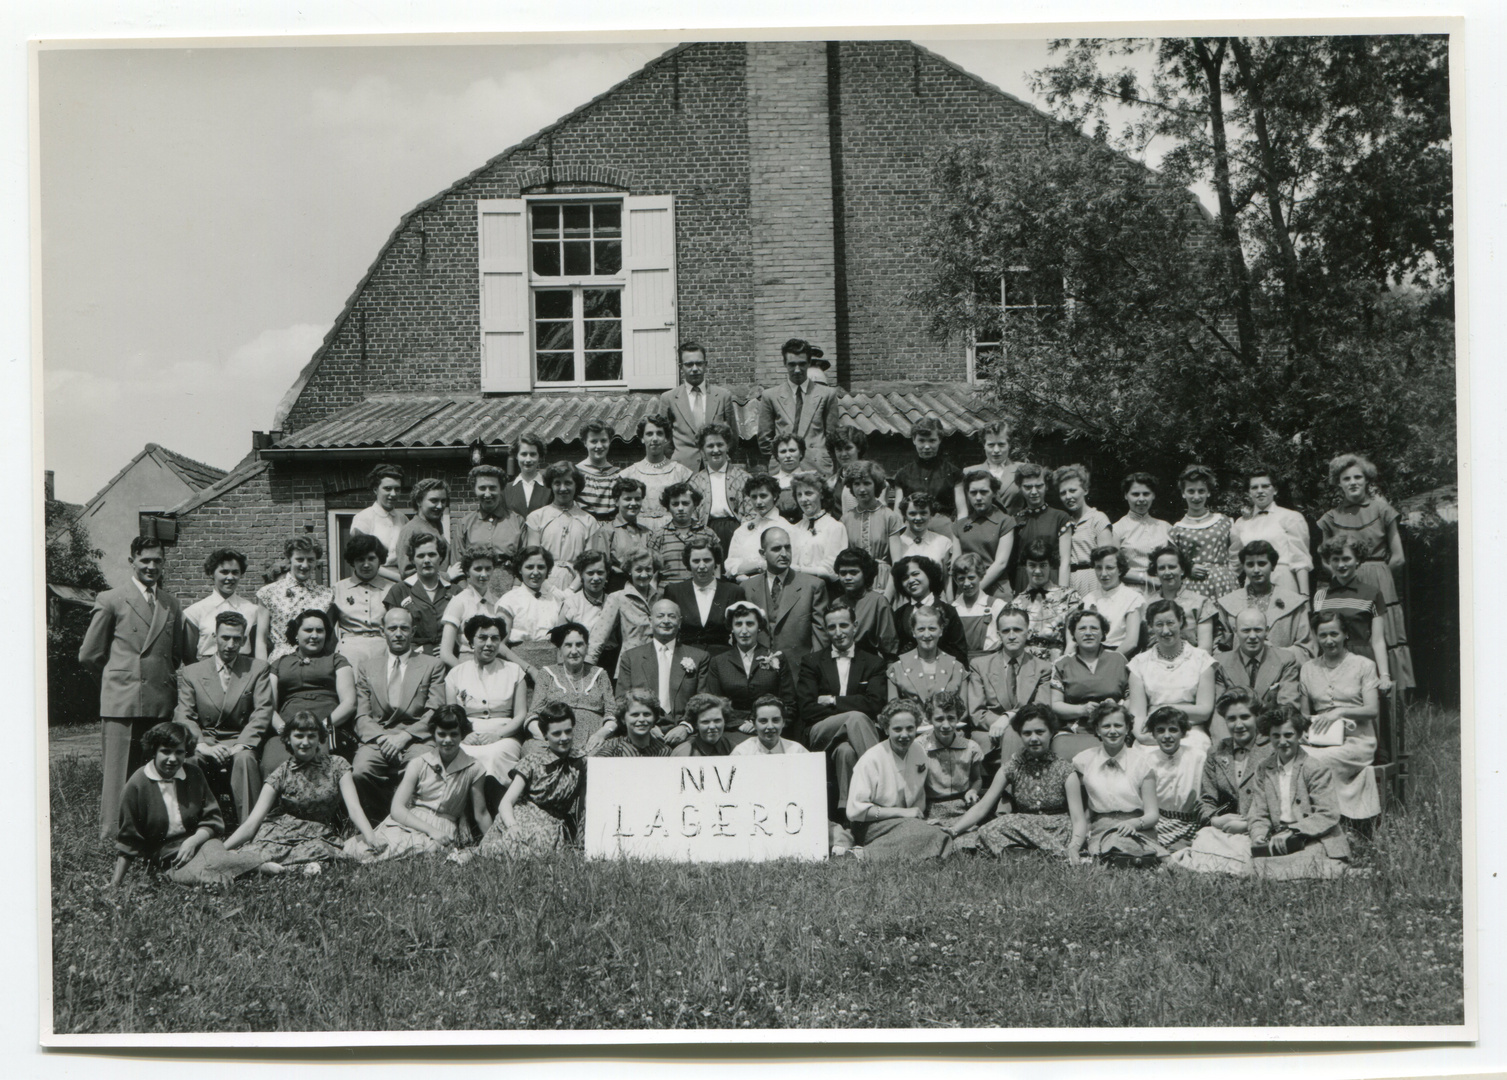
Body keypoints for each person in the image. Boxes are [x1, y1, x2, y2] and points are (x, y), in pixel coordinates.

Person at [79, 536, 184, 841]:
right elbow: (89, 655)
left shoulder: (171, 603)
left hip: (160, 699)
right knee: (119, 771)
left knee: (156, 768)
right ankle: (113, 834)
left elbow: (175, 653)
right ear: (132, 562)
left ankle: (153, 830)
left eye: (157, 561)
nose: (152, 566)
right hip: (122, 701)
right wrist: (116, 678)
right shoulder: (111, 599)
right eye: (145, 560)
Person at [222, 710, 385, 871]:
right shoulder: (281, 773)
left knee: (324, 851)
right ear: (288, 739)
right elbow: (252, 823)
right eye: (299, 736)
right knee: (259, 851)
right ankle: (266, 865)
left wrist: (371, 838)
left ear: (320, 738)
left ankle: (269, 867)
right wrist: (221, 848)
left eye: (311, 736)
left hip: (318, 833)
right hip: (280, 832)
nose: (305, 742)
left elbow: (354, 809)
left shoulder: (338, 765)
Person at [110, 721, 260, 887]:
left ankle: (236, 863)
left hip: (202, 842)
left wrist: (193, 841)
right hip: (168, 856)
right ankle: (252, 864)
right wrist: (115, 884)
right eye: (165, 752)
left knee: (214, 863)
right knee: (205, 876)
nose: (172, 759)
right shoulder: (137, 784)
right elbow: (129, 839)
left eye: (179, 752)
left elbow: (212, 820)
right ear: (154, 751)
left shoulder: (194, 774)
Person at [1316, 452, 1413, 690]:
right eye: (1346, 478)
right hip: (1344, 581)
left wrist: (1376, 575)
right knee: (1350, 635)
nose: (1353, 482)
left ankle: (1392, 698)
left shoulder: (1382, 510)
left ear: (1367, 480)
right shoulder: (1331, 517)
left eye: (1358, 477)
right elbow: (1324, 560)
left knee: (1384, 638)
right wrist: (1344, 577)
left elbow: (1398, 556)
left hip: (1380, 579)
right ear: (1338, 483)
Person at [345, 705, 490, 862]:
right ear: (433, 735)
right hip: (410, 821)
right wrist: (430, 830)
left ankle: (377, 858)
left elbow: (481, 814)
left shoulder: (473, 768)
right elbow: (397, 809)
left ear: (462, 735)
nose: (448, 740)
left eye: (454, 734)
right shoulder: (419, 762)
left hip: (443, 829)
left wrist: (492, 843)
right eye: (442, 734)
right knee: (362, 848)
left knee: (428, 848)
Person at [943, 703, 1082, 858]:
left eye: (1040, 732)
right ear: (1020, 735)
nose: (1034, 738)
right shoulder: (1012, 767)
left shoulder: (1065, 770)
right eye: (1027, 733)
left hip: (1057, 832)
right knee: (970, 838)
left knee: (1000, 826)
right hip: (1020, 830)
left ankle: (1049, 854)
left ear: (1051, 732)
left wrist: (1074, 847)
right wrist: (954, 830)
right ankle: (1035, 856)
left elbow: (1078, 819)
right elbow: (983, 806)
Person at [173, 610, 273, 824]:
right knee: (191, 760)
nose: (230, 645)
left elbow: (262, 711)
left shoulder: (257, 668)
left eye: (237, 639)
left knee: (245, 760)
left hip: (240, 739)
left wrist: (242, 744)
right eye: (225, 637)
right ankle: (195, 827)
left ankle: (250, 827)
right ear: (214, 637)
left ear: (244, 640)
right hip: (207, 740)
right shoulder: (193, 672)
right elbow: (185, 714)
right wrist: (202, 744)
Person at [350, 607, 448, 822]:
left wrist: (404, 737)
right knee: (361, 770)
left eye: (404, 628)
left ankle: (417, 824)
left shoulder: (432, 665)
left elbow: (435, 710)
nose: (398, 633)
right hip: (379, 737)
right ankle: (378, 822)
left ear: (413, 632)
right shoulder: (368, 667)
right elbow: (362, 715)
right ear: (382, 631)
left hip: (417, 737)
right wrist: (385, 739)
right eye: (392, 628)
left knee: (421, 768)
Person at [1168, 688, 1272, 876]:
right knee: (1205, 838)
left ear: (1257, 717)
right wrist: (1215, 819)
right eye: (1231, 719)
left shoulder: (1272, 751)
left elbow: (1281, 802)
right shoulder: (1217, 751)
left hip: (1261, 829)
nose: (1238, 725)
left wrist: (1249, 824)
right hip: (1224, 829)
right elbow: (1206, 799)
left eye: (1245, 717)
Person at [1245, 704, 1352, 879]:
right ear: (1269, 736)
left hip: (1313, 837)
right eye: (1275, 736)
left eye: (1288, 735)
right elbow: (1258, 812)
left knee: (1295, 863)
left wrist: (1294, 830)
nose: (1282, 742)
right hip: (1279, 838)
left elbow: (1328, 814)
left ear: (1300, 734)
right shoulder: (1264, 769)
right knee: (1252, 867)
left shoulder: (1315, 768)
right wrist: (1259, 835)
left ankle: (1328, 869)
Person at [1299, 608, 1383, 822]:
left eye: (1334, 634)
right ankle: (1300, 820)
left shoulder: (1364, 665)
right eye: (1323, 635)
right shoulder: (1308, 669)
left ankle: (1330, 820)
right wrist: (1302, 732)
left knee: (1314, 762)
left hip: (1357, 742)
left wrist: (1340, 712)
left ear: (1345, 634)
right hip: (1320, 741)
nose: (1329, 640)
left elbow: (1372, 710)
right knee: (1293, 755)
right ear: (1316, 637)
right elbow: (1303, 715)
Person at [843, 698, 951, 859]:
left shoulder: (918, 751)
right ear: (886, 729)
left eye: (910, 728)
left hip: (905, 821)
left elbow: (919, 795)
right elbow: (855, 812)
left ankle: (913, 847)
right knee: (926, 834)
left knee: (934, 833)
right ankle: (863, 854)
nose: (904, 735)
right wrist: (903, 813)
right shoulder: (871, 759)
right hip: (870, 825)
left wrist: (914, 817)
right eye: (897, 729)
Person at [476, 701, 587, 856]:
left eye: (568, 731)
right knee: (516, 838)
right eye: (556, 733)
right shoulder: (532, 761)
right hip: (522, 816)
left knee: (539, 841)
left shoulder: (581, 762)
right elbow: (506, 802)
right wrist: (512, 825)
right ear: (545, 735)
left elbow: (583, 807)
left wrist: (580, 839)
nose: (564, 738)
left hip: (552, 823)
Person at [1067, 702, 1165, 865]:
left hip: (1139, 826)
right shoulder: (1083, 761)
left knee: (1127, 849)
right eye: (1106, 726)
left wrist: (1134, 823)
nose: (1113, 731)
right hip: (1102, 826)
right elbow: (1082, 811)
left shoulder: (1142, 763)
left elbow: (1153, 815)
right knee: (1114, 846)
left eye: (1118, 725)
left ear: (1127, 728)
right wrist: (1075, 844)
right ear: (1097, 730)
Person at [444, 613, 530, 795]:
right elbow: (452, 715)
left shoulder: (514, 671)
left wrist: (497, 735)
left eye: (495, 638)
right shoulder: (456, 674)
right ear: (471, 642)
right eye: (482, 638)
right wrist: (465, 735)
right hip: (468, 736)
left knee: (494, 755)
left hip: (505, 737)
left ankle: (497, 809)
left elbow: (521, 714)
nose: (489, 643)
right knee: (460, 753)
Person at [799, 600, 889, 762]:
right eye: (832, 627)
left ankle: (855, 788)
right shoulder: (812, 662)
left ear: (854, 626)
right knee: (856, 717)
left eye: (844, 625)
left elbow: (875, 704)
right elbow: (807, 708)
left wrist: (833, 701)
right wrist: (855, 706)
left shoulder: (873, 663)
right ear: (826, 630)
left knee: (845, 752)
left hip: (860, 731)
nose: (838, 632)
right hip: (822, 730)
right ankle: (882, 778)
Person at [1127, 598, 1217, 751]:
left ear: (1181, 621)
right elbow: (1137, 713)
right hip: (1154, 731)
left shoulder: (1201, 659)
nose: (1166, 631)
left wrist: (1163, 709)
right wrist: (1142, 737)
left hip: (1190, 731)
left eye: (1170, 623)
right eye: (1159, 625)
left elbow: (1204, 711)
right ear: (1150, 627)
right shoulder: (1139, 663)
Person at [268, 609, 356, 761]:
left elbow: (349, 703)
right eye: (308, 630)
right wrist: (284, 730)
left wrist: (322, 727)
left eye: (320, 631)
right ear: (296, 634)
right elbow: (267, 705)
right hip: (288, 729)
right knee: (273, 760)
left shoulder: (337, 661)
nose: (314, 636)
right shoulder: (279, 663)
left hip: (327, 728)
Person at [617, 599, 710, 736]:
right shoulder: (631, 658)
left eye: (672, 616)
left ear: (680, 622)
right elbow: (621, 700)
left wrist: (686, 726)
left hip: (686, 733)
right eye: (660, 616)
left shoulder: (699, 657)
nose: (666, 621)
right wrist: (646, 725)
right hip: (642, 731)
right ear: (650, 620)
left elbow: (704, 700)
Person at [967, 606, 1052, 756]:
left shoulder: (1042, 668)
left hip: (1028, 733)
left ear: (1029, 633)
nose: (1011, 636)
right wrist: (999, 721)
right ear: (999, 634)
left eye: (1017, 630)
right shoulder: (979, 665)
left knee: (1015, 734)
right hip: (990, 733)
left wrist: (1009, 717)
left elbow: (1042, 709)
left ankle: (1007, 778)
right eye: (1006, 631)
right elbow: (976, 713)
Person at [1311, 535, 1394, 687]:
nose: (1341, 564)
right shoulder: (1320, 595)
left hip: (1361, 659)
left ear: (1357, 560)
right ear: (1329, 562)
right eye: (1335, 559)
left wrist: (1384, 675)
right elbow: (1316, 640)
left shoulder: (1372, 594)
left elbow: (1378, 640)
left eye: (1346, 559)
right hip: (1329, 659)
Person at [707, 599, 797, 736]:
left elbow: (789, 704)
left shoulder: (777, 657)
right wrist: (738, 724)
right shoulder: (718, 662)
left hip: (770, 730)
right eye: (738, 624)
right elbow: (714, 705)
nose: (744, 631)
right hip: (732, 730)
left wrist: (765, 725)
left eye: (750, 624)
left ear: (759, 627)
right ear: (731, 628)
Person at [739, 526, 829, 660]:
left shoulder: (813, 586)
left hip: (798, 671)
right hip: (757, 670)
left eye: (788, 547)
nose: (784, 553)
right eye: (776, 549)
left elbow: (820, 638)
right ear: (763, 553)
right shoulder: (746, 587)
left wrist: (814, 671)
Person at [528, 621, 615, 752]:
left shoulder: (599, 674)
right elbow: (533, 715)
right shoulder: (547, 674)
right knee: (537, 753)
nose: (574, 651)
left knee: (603, 756)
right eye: (568, 645)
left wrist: (601, 734)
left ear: (587, 647)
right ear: (560, 650)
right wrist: (547, 738)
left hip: (592, 741)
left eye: (579, 645)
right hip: (555, 739)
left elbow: (612, 714)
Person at [757, 338, 839, 475]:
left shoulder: (827, 395)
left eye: (802, 364)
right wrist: (781, 457)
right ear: (785, 364)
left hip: (817, 468)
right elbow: (765, 440)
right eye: (792, 364)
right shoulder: (770, 396)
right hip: (782, 468)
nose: (797, 370)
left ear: (808, 363)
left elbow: (832, 438)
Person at [1229, 465, 1313, 598]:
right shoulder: (1241, 523)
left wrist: (1304, 595)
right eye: (1254, 487)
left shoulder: (1291, 517)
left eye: (1265, 486)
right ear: (1249, 492)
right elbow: (1234, 564)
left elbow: (1300, 559)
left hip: (1283, 580)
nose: (1260, 491)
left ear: (1275, 490)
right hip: (1253, 584)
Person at [1216, 540, 1312, 654]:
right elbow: (1219, 648)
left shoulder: (1294, 602)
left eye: (1262, 563)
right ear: (1244, 567)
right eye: (1250, 564)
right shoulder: (1228, 603)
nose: (1256, 570)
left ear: (1273, 566)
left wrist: (1276, 652)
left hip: (1282, 669)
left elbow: (1306, 650)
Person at [658, 341, 738, 469]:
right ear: (680, 367)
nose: (695, 369)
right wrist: (677, 460)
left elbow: (733, 437)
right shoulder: (669, 398)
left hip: (716, 466)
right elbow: (664, 438)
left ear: (706, 365)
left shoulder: (723, 396)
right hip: (682, 468)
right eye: (689, 364)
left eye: (699, 363)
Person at [255, 537, 334, 662]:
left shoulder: (326, 595)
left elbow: (329, 639)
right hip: (281, 662)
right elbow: (261, 640)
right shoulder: (268, 592)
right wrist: (262, 674)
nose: (305, 565)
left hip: (316, 662)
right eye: (299, 559)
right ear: (289, 559)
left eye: (310, 560)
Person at [1050, 610, 1130, 733]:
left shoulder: (1119, 660)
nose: (1088, 633)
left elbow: (1133, 699)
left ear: (1103, 633)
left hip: (1115, 729)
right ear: (1073, 634)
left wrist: (1117, 708)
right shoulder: (1062, 664)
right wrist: (1082, 710)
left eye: (1094, 628)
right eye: (1082, 629)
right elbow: (1055, 705)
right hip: (1075, 730)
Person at [586, 549, 661, 679]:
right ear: (629, 570)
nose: (644, 575)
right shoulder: (618, 598)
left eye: (648, 570)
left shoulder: (659, 598)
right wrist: (586, 669)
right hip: (631, 665)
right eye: (638, 570)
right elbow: (599, 636)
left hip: (658, 665)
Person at [663, 535, 744, 656]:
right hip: (684, 658)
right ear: (688, 563)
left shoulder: (733, 591)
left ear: (715, 561)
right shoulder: (674, 591)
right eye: (696, 561)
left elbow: (740, 632)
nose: (702, 566)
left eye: (707, 560)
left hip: (722, 658)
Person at [383, 533, 460, 659]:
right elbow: (392, 631)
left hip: (449, 659)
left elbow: (465, 631)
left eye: (432, 554)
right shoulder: (399, 591)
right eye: (420, 556)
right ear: (412, 560)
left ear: (440, 557)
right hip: (412, 659)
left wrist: (450, 646)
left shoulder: (455, 591)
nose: (427, 560)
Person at [1169, 464, 1239, 601]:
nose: (1196, 497)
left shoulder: (1224, 522)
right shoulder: (1177, 529)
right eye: (1191, 491)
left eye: (1201, 491)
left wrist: (1229, 574)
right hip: (1193, 587)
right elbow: (1173, 561)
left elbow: (1237, 552)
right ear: (1183, 493)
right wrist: (1188, 568)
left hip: (1224, 584)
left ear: (1208, 492)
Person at [1214, 607, 1303, 713]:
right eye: (1246, 630)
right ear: (1235, 631)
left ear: (1267, 630)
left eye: (1258, 630)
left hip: (1270, 725)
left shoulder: (1285, 660)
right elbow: (1218, 710)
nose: (1252, 636)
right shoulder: (1220, 663)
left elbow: (1288, 706)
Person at [527, 462, 599, 589]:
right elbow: (534, 560)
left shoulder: (589, 521)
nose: (562, 488)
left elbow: (588, 564)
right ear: (551, 485)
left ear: (576, 485)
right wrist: (550, 589)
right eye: (557, 483)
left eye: (568, 483)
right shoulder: (537, 517)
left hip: (577, 586)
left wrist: (571, 591)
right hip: (543, 584)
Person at [454, 463, 524, 596]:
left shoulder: (517, 521)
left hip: (510, 591)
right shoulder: (464, 524)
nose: (487, 494)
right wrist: (466, 592)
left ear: (501, 489)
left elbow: (525, 561)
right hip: (474, 591)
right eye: (482, 488)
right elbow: (457, 565)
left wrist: (515, 591)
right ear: (474, 490)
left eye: (492, 488)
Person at [181, 548, 263, 661]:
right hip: (207, 672)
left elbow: (257, 650)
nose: (230, 577)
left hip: (244, 672)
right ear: (211, 573)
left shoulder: (252, 610)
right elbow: (188, 657)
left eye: (235, 572)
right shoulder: (195, 612)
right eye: (224, 572)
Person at [497, 545, 568, 675]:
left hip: (553, 670)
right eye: (529, 567)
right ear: (520, 569)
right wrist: (529, 669)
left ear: (548, 570)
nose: (535, 572)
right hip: (519, 670)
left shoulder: (556, 600)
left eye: (541, 567)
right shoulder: (509, 600)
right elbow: (499, 645)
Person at [1143, 705, 1206, 851]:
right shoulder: (1146, 761)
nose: (1167, 736)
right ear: (1153, 734)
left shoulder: (1198, 757)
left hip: (1191, 822)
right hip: (1159, 820)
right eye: (1160, 730)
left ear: (1182, 733)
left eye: (1173, 730)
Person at [916, 691, 983, 825]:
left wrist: (973, 790)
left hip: (963, 807)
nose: (946, 725)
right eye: (939, 719)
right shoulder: (919, 748)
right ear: (929, 719)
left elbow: (977, 779)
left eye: (951, 718)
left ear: (958, 718)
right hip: (931, 808)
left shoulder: (971, 748)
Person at [620, 413, 692, 531]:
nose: (654, 439)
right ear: (642, 438)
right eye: (649, 434)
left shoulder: (680, 472)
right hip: (638, 531)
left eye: (659, 433)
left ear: (666, 438)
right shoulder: (628, 474)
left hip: (672, 531)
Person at [891, 554, 968, 664]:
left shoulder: (948, 611)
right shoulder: (899, 614)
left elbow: (960, 651)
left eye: (915, 574)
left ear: (929, 575)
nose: (911, 580)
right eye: (905, 578)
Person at [949, 470, 1015, 598]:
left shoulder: (1005, 521)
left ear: (994, 493)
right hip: (965, 587)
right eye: (973, 493)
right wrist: (966, 588)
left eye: (984, 492)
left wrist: (974, 589)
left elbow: (1001, 563)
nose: (978, 498)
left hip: (996, 589)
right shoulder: (959, 525)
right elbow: (955, 564)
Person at [840, 461, 903, 594]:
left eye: (867, 483)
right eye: (856, 484)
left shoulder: (889, 516)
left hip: (883, 581)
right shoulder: (845, 519)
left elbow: (897, 563)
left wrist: (887, 596)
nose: (862, 489)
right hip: (855, 583)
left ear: (876, 485)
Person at [1013, 538, 1081, 662]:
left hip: (1058, 666)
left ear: (1051, 565)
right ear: (1025, 566)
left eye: (1043, 565)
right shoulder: (1016, 604)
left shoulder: (1069, 597)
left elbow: (1073, 642)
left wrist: (1060, 670)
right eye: (1032, 565)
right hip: (1026, 669)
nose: (1037, 571)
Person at [439, 546, 506, 669]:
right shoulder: (459, 602)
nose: (484, 574)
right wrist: (467, 674)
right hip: (466, 664)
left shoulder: (498, 603)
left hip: (495, 666)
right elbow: (445, 654)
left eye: (488, 569)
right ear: (467, 572)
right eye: (478, 569)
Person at [888, 605, 968, 708]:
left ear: (941, 630)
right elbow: (893, 710)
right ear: (913, 632)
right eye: (921, 629)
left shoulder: (957, 668)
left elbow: (963, 710)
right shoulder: (897, 668)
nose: (926, 635)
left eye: (932, 629)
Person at [891, 416, 966, 524]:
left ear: (939, 440)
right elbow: (898, 513)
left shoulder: (954, 473)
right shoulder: (903, 475)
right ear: (913, 440)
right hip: (913, 530)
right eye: (921, 440)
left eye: (932, 440)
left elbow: (962, 512)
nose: (927, 446)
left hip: (945, 530)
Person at [332, 533, 391, 669]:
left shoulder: (391, 589)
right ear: (353, 561)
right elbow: (328, 629)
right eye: (360, 559)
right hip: (350, 648)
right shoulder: (337, 589)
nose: (366, 565)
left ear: (380, 560)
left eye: (371, 559)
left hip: (383, 647)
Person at [688, 422, 750, 551]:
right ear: (702, 450)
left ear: (727, 446)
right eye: (710, 446)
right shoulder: (695, 482)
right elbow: (692, 514)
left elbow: (751, 511)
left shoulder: (743, 478)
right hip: (706, 530)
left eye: (720, 445)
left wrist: (745, 532)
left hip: (737, 530)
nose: (716, 450)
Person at [1011, 463, 1073, 592]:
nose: (1034, 492)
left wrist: (1062, 593)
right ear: (1020, 488)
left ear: (1046, 486)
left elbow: (1065, 561)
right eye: (1028, 487)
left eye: (1039, 486)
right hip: (1024, 582)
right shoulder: (1015, 520)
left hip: (1052, 579)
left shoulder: (1060, 517)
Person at [1146, 544, 1216, 653]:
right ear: (1156, 572)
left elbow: (1205, 648)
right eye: (1161, 568)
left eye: (1172, 567)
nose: (1167, 572)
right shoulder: (1146, 603)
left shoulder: (1200, 603)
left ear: (1182, 570)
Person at [1056, 464, 1114, 596]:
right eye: (1063, 493)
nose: (1068, 496)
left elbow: (1107, 560)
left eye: (1072, 490)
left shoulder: (1098, 519)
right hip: (1070, 581)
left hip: (1093, 580)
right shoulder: (1065, 522)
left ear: (1085, 490)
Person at [833, 547, 900, 661]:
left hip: (869, 663)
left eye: (854, 572)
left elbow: (888, 644)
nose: (848, 578)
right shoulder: (836, 602)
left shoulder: (878, 601)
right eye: (843, 573)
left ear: (865, 573)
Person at [649, 482, 719, 588]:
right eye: (675, 504)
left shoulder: (708, 534)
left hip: (700, 591)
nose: (680, 508)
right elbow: (652, 575)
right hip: (667, 594)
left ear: (694, 505)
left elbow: (717, 570)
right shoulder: (658, 536)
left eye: (685, 503)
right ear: (668, 506)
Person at [1079, 546, 1145, 657]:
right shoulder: (1088, 599)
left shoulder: (1132, 598)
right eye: (1099, 568)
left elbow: (1131, 642)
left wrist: (1107, 662)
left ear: (1120, 570)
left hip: (1119, 655)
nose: (1103, 574)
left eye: (1109, 568)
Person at [590, 476, 653, 591]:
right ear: (616, 501)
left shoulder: (647, 532)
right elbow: (600, 566)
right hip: (617, 588)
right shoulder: (606, 532)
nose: (633, 503)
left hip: (644, 588)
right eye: (628, 499)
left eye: (637, 499)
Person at [1113, 471, 1172, 591]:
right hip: (1130, 591)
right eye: (1135, 494)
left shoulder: (1165, 527)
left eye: (1146, 494)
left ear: (1153, 495)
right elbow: (1113, 568)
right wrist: (1145, 578)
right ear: (1126, 495)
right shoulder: (1116, 529)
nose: (1141, 499)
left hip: (1163, 590)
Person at [350, 463, 407, 584]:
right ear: (375, 489)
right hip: (373, 582)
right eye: (387, 488)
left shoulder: (403, 519)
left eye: (397, 489)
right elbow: (362, 562)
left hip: (401, 582)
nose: (393, 494)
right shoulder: (363, 519)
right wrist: (401, 579)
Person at [956, 420, 1023, 518]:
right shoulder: (969, 472)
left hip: (1016, 528)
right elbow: (965, 509)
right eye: (991, 445)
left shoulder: (1021, 470)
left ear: (1010, 445)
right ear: (984, 445)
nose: (996, 450)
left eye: (1001, 444)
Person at [724, 474, 786, 580]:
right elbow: (731, 564)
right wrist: (744, 575)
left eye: (763, 496)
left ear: (774, 495)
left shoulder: (785, 528)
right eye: (754, 497)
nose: (758, 502)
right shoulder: (743, 530)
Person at [889, 492, 961, 584]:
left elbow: (947, 583)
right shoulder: (897, 543)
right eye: (912, 514)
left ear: (931, 515)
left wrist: (950, 599)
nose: (918, 518)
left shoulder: (943, 542)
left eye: (923, 513)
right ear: (905, 516)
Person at [789, 471, 845, 585]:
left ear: (821, 494)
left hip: (824, 588)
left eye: (808, 493)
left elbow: (832, 570)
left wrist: (800, 570)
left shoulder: (835, 527)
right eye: (799, 494)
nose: (803, 499)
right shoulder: (794, 529)